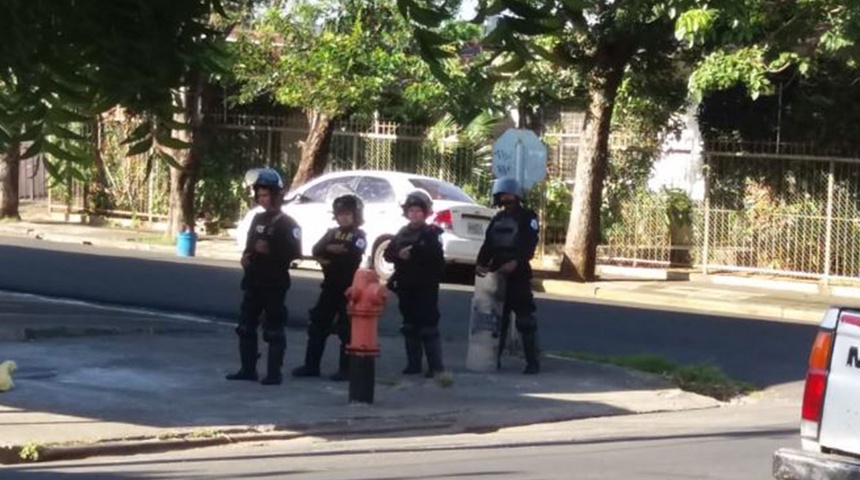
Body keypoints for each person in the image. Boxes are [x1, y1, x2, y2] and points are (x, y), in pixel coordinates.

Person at [226, 168, 302, 386]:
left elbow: (294, 253)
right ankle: (247, 369)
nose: (262, 199)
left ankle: (273, 373)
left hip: (274, 281)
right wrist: (246, 256)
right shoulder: (257, 218)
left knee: (273, 328)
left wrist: (270, 250)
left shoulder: (288, 223)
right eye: (259, 195)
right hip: (253, 279)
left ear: (277, 195)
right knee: (246, 326)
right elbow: (250, 244)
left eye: (266, 194)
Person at [292, 194, 367, 381]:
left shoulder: (359, 235)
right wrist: (332, 249)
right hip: (329, 286)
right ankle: (311, 365)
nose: (343, 217)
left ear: (356, 215)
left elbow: (351, 254)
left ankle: (346, 369)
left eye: (347, 213)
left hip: (347, 288)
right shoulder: (331, 232)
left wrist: (332, 251)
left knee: (345, 329)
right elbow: (316, 249)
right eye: (340, 213)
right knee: (317, 325)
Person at [476, 177, 541, 374]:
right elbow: (488, 244)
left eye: (508, 194)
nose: (505, 197)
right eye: (502, 195)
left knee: (525, 320)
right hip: (498, 274)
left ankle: (532, 363)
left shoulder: (528, 217)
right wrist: (481, 263)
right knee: (498, 320)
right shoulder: (497, 219)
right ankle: (492, 360)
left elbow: (530, 243)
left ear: (516, 195)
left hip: (518, 274)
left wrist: (516, 262)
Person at [384, 190, 446, 378]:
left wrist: (417, 253)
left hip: (425, 286)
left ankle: (436, 367)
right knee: (410, 326)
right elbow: (388, 254)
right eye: (411, 210)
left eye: (418, 211)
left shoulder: (431, 233)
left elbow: (438, 260)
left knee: (428, 327)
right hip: (405, 285)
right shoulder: (402, 232)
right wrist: (399, 255)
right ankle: (413, 364)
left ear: (425, 212)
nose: (414, 214)